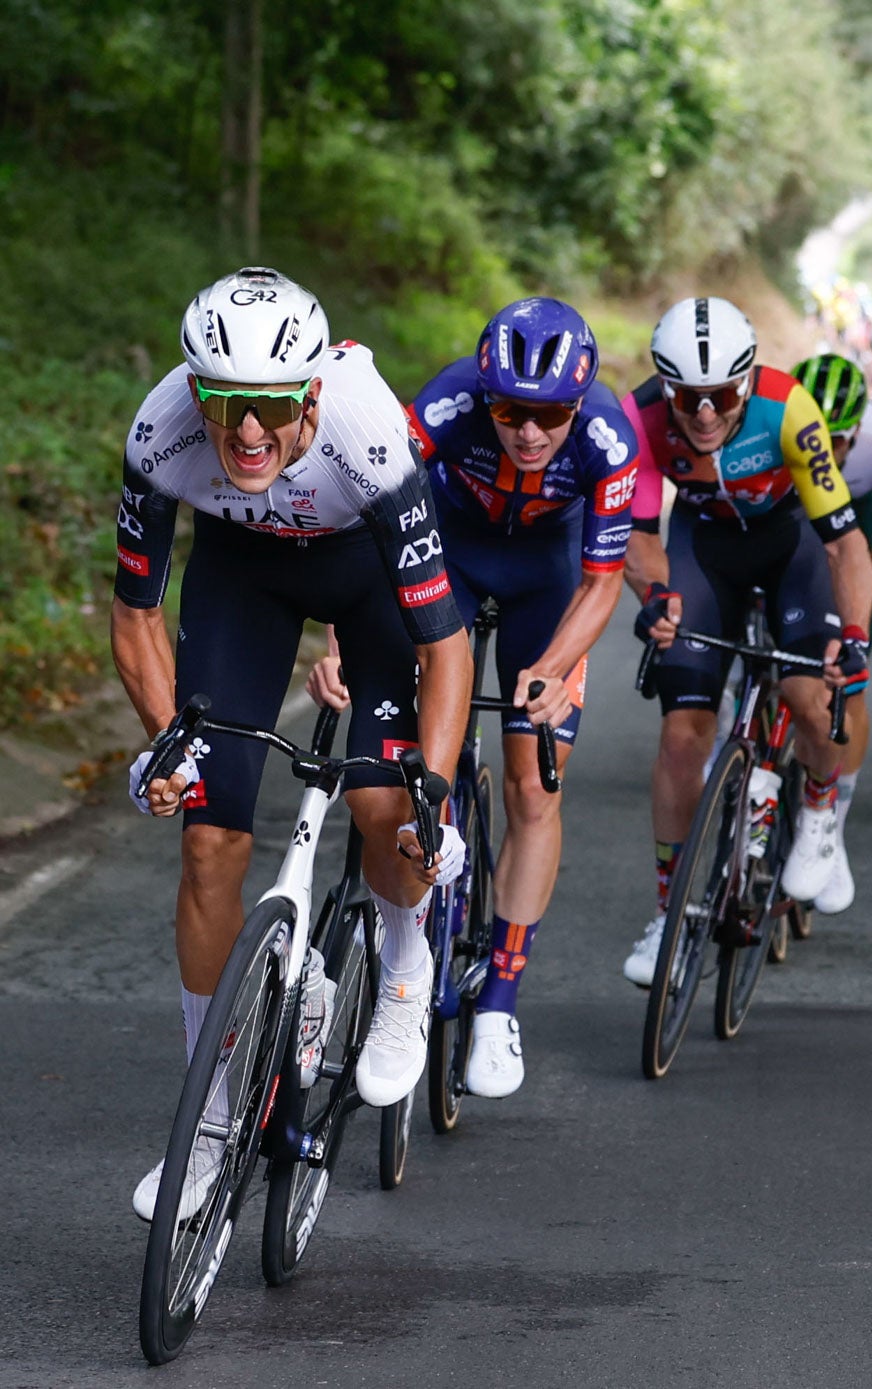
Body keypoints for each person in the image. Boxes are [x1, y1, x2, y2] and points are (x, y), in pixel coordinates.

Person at [112, 266, 472, 1220]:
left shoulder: (368, 431)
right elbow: (137, 615)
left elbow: (444, 640)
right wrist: (169, 746)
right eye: (225, 401)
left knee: (382, 806)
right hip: (244, 577)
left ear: (311, 389)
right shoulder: (161, 431)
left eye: (272, 403)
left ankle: (402, 965)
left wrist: (431, 786)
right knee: (205, 841)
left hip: (367, 579)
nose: (248, 430)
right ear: (196, 388)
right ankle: (213, 1120)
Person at [308, 297, 639, 1096]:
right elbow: (369, 521)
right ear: (484, 394)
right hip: (447, 550)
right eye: (510, 411)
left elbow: (602, 582)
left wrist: (556, 668)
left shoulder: (607, 439)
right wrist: (340, 643)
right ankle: (409, 940)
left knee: (532, 782)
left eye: (550, 414)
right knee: (413, 752)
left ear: (579, 403)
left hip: (547, 580)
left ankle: (500, 1000)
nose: (529, 432)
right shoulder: (446, 402)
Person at [619, 296, 872, 987]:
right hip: (703, 552)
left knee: (811, 693)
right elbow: (636, 536)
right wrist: (656, 599)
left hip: (787, 548)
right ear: (664, 386)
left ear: (749, 379)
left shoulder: (789, 409)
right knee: (682, 734)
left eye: (723, 394)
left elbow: (845, 542)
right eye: (687, 398)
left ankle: (821, 811)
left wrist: (852, 636)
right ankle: (670, 913)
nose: (704, 414)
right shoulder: (638, 418)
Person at [790, 353, 872, 912]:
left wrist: (850, 617)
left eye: (838, 439)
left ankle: (831, 824)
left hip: (862, 533)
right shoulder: (775, 426)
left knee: (847, 684)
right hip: (790, 521)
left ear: (857, 429)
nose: (829, 451)